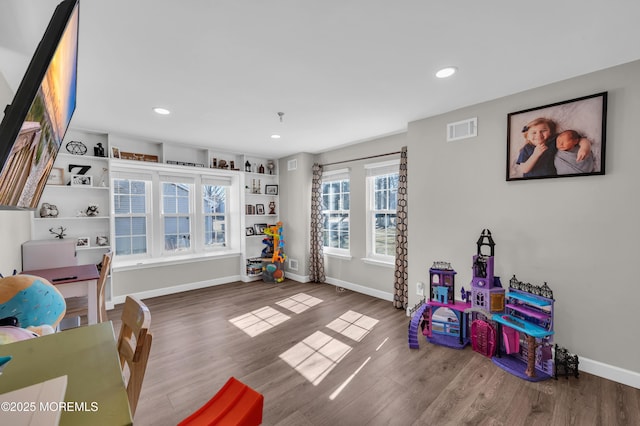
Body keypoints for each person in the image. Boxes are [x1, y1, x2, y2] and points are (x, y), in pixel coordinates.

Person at [516, 117, 591, 177]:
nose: (539, 135)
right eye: (534, 132)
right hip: (531, 181)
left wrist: (585, 147)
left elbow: (578, 139)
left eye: (543, 131)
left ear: (550, 132)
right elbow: (524, 169)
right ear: (527, 137)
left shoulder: (554, 140)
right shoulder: (526, 148)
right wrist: (535, 154)